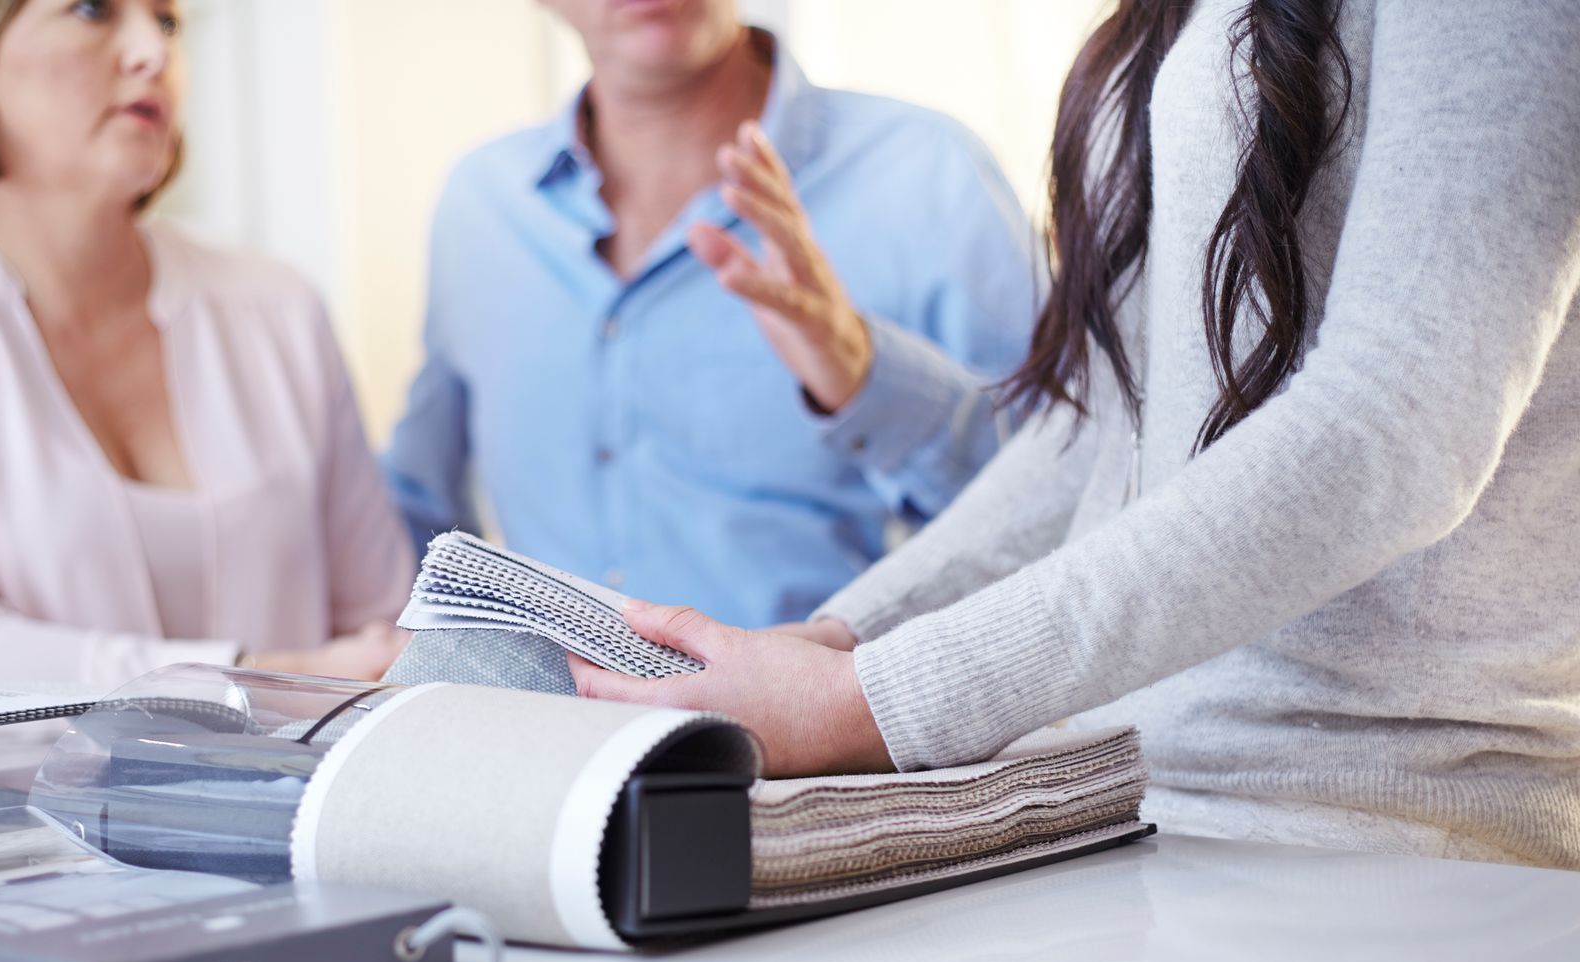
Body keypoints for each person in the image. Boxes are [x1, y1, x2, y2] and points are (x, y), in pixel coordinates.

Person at [573, 0, 1580, 868]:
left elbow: (1390, 427)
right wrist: (838, 640)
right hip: (1133, 798)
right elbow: (1098, 431)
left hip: (1380, 827)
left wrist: (863, 699)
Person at [0, 0, 414, 688]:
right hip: (5, 798)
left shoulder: (279, 307)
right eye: (92, 10)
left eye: (168, 21)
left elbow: (380, 630)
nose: (154, 52)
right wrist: (261, 679)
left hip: (300, 795)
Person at [384, 2, 1037, 628]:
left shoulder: (926, 172)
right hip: (547, 732)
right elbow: (417, 515)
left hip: (836, 732)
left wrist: (866, 374)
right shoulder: (480, 204)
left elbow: (1060, 503)